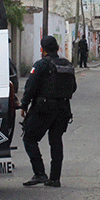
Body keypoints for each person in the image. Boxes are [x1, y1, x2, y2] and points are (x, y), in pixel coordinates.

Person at [20, 36, 76, 188]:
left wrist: (24, 105)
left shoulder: (41, 65)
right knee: (56, 141)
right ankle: (55, 178)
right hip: (63, 109)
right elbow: (73, 88)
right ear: (57, 48)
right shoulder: (67, 65)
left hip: (43, 109)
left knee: (29, 139)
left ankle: (39, 173)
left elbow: (30, 87)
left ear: (43, 50)